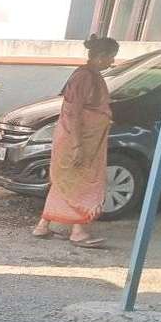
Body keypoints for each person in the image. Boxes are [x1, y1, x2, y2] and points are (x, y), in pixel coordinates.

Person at [33, 34, 120, 248]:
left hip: (83, 140)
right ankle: (78, 231)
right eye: (111, 57)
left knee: (65, 182)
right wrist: (77, 145)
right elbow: (73, 112)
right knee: (81, 183)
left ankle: (42, 226)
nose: (113, 62)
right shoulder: (84, 76)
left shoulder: (91, 75)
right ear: (100, 56)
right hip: (78, 141)